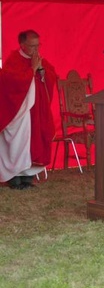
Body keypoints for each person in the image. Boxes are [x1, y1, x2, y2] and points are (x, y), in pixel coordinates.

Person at [1, 30, 57, 189]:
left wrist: (43, 73)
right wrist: (32, 69)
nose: (36, 49)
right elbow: (9, 81)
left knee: (33, 141)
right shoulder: (13, 60)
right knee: (18, 143)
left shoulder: (39, 60)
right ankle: (14, 178)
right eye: (32, 46)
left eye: (38, 45)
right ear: (22, 45)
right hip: (18, 113)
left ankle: (28, 178)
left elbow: (52, 76)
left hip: (35, 112)